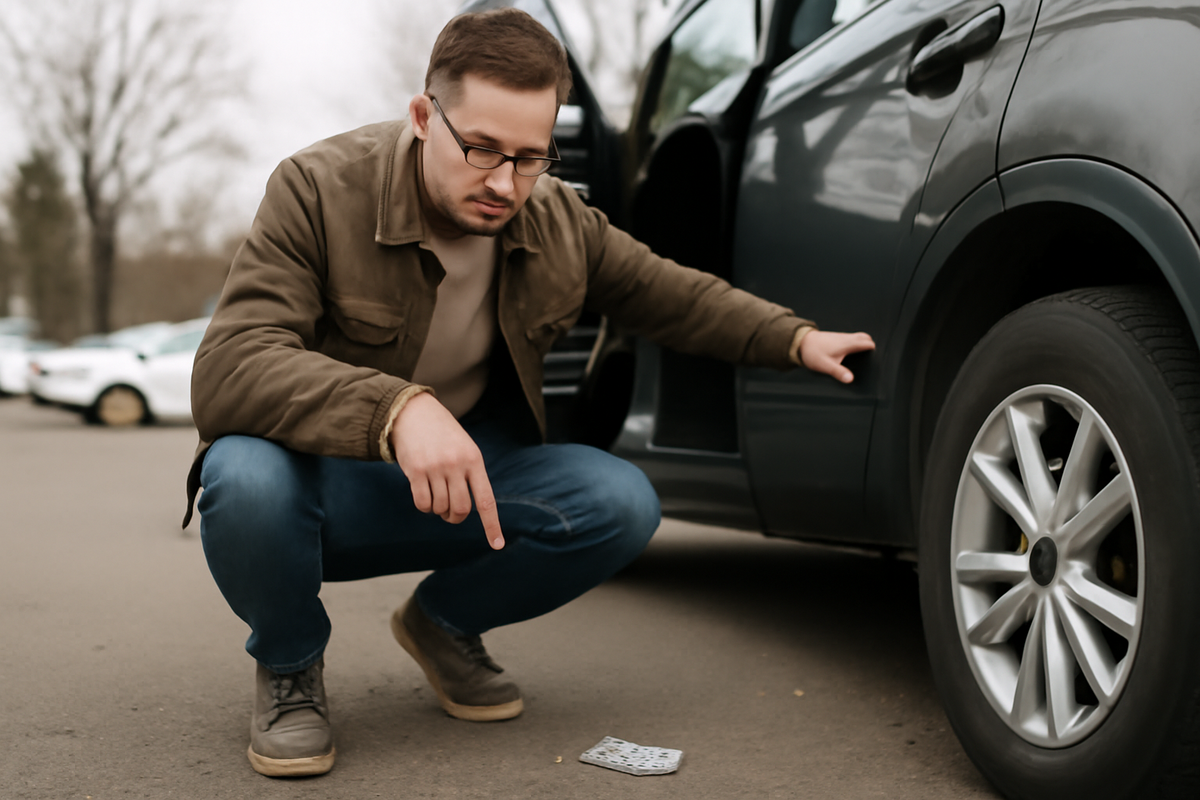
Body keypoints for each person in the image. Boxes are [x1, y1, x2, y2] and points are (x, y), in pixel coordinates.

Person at [186, 7, 875, 779]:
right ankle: (288, 666)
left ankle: (444, 626)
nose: (504, 182)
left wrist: (793, 338)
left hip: (472, 478)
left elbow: (666, 292)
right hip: (325, 486)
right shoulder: (317, 188)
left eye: (529, 157)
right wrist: (397, 409)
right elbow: (231, 365)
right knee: (240, 475)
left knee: (619, 500)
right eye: (480, 149)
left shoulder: (555, 216)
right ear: (423, 116)